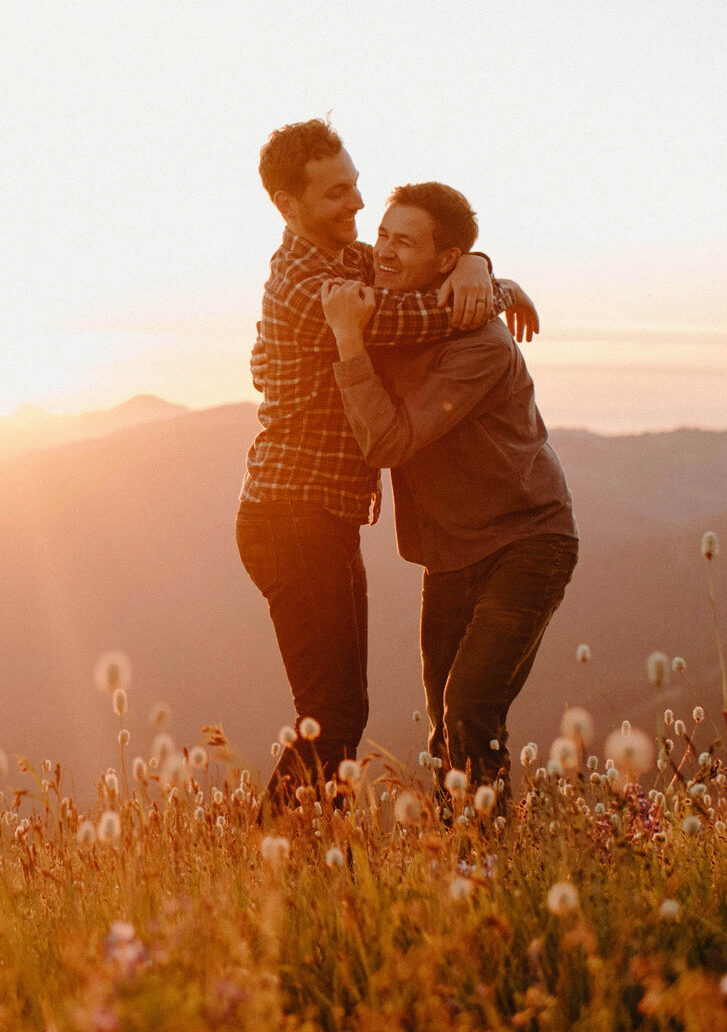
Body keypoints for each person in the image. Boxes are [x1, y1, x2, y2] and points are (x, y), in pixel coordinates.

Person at [238, 120, 536, 812]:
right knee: (331, 716)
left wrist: (480, 263)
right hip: (291, 518)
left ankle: (303, 859)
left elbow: (416, 271)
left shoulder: (343, 262)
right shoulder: (313, 285)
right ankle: (273, 858)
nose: (357, 203)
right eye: (337, 192)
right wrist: (490, 291)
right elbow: (419, 315)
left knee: (342, 713)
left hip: (321, 517)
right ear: (288, 204)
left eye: (355, 184)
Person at [320, 180, 574, 804]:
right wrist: (492, 273)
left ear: (444, 259)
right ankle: (462, 864)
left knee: (468, 708)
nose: (383, 250)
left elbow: (388, 443)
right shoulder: (405, 306)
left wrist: (348, 342)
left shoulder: (480, 345)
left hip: (526, 542)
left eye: (403, 241)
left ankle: (488, 862)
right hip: (450, 554)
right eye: (383, 233)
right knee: (445, 729)